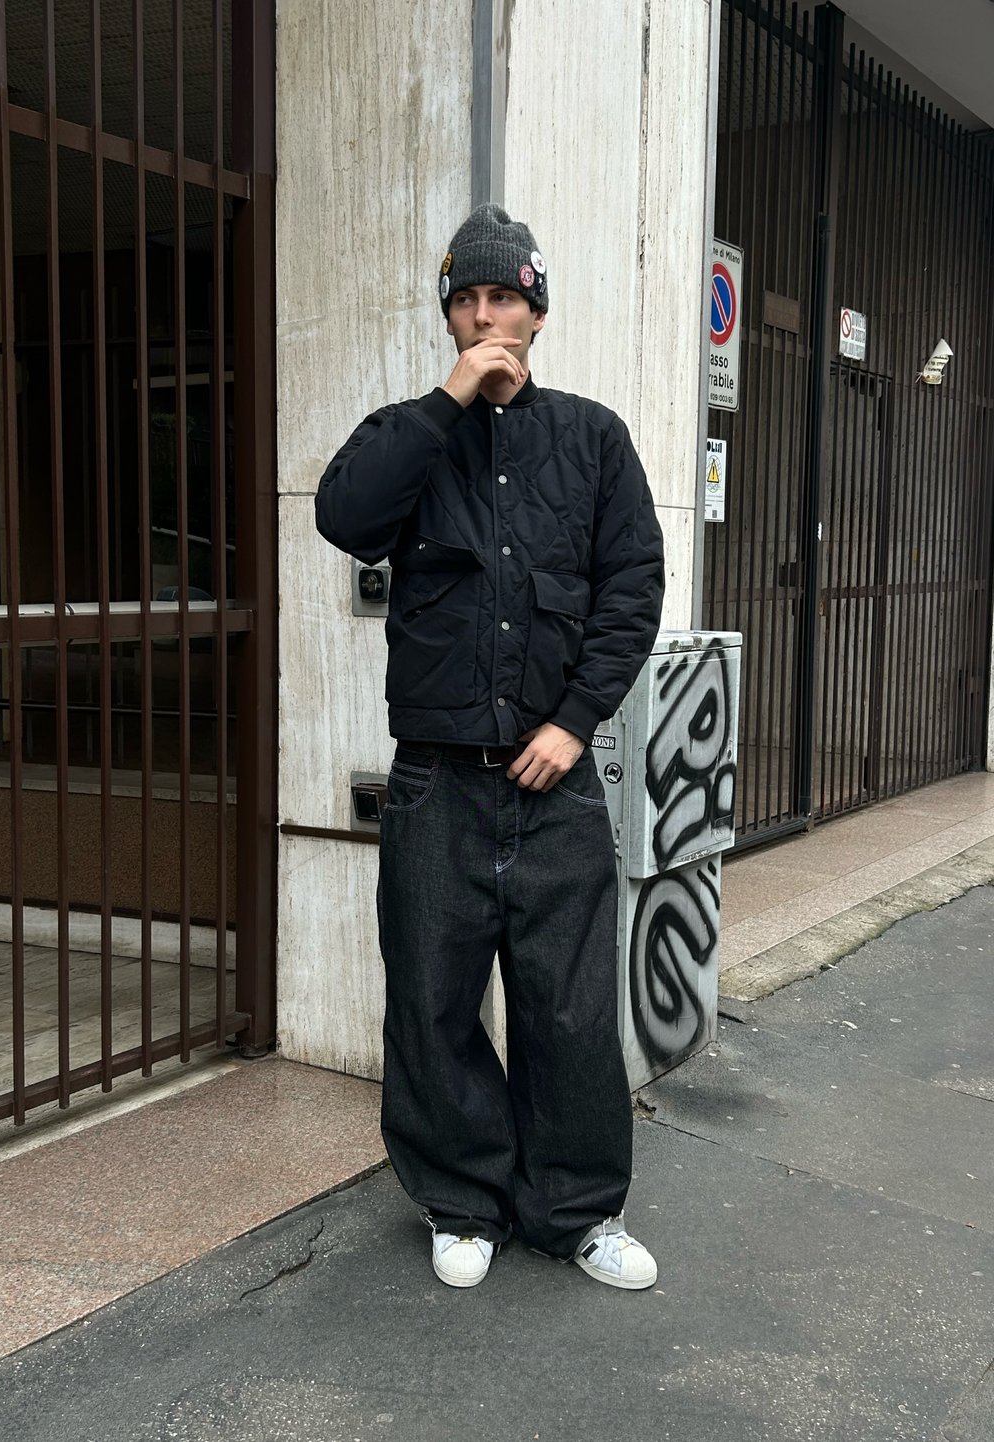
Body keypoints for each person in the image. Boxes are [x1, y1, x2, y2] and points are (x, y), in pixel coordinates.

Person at [316, 204, 665, 1290]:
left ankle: (575, 1209)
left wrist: (574, 722)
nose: (484, 315)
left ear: (538, 308)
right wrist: (450, 398)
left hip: (548, 776)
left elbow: (630, 591)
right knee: (431, 996)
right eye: (466, 300)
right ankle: (460, 1198)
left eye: (503, 296)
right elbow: (346, 516)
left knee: (566, 1003)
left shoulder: (592, 437)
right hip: (436, 778)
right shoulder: (413, 435)